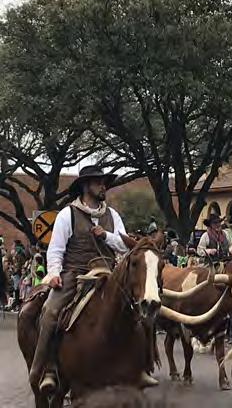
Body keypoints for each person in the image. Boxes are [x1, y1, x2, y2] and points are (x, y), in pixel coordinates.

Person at [29, 166, 141, 394]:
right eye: (99, 182)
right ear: (85, 185)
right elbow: (56, 250)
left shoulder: (113, 215)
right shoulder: (67, 214)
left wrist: (106, 235)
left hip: (108, 274)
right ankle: (46, 368)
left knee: (140, 312)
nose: (104, 187)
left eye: (104, 182)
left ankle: (139, 367)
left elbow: (125, 244)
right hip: (75, 274)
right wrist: (54, 275)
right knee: (51, 311)